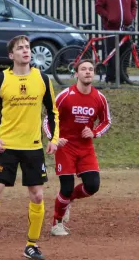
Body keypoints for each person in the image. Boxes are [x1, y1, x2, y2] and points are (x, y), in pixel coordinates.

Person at [0, 35, 59, 260]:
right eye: (20, 48)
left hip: (32, 147)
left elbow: (52, 111)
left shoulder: (42, 78)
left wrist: (54, 138)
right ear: (11, 55)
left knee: (38, 196)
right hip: (6, 146)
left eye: (27, 47)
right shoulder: (1, 79)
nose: (25, 51)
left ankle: (31, 245)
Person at [43, 59, 112, 236]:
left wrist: (94, 132)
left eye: (90, 69)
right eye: (83, 69)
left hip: (85, 148)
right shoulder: (65, 95)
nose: (87, 72)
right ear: (76, 74)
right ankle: (56, 223)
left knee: (92, 186)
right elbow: (48, 119)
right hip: (65, 146)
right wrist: (54, 139)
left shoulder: (99, 98)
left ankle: (67, 201)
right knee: (66, 187)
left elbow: (106, 121)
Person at [95, 0, 137, 84]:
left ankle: (123, 77)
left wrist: (131, 17)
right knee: (112, 54)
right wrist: (108, 17)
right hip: (111, 29)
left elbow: (134, 5)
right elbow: (98, 7)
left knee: (125, 54)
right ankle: (111, 78)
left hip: (126, 28)